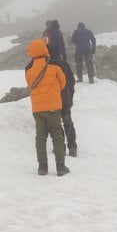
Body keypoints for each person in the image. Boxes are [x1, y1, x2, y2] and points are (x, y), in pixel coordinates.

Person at [25, 39, 70, 176]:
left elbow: (30, 85)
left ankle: (42, 167)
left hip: (38, 109)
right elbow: (63, 83)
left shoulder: (29, 70)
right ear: (44, 49)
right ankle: (60, 167)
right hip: (53, 107)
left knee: (40, 137)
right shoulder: (54, 66)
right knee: (57, 136)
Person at [47, 42, 77, 157]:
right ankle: (72, 147)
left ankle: (61, 147)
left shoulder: (48, 66)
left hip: (53, 101)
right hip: (65, 100)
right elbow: (72, 82)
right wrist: (70, 96)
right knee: (68, 122)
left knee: (56, 125)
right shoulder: (64, 64)